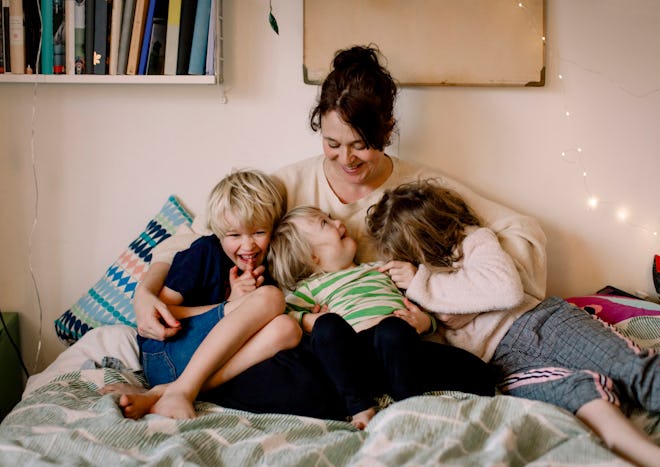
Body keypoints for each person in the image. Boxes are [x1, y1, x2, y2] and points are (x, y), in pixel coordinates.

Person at [131, 45, 547, 419]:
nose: (345, 159)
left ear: (386, 130)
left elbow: (523, 233)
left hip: (393, 343)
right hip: (318, 348)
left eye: (360, 145)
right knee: (308, 381)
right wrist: (145, 293)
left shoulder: (416, 192)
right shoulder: (289, 184)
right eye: (332, 143)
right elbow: (196, 239)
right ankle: (176, 390)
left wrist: (439, 298)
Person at [366, 179, 660, 466]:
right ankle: (657, 459)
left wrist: (425, 282)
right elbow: (445, 327)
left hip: (541, 322)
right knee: (578, 394)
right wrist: (429, 320)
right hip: (502, 361)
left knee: (634, 368)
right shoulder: (413, 285)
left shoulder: (472, 241)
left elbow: (505, 290)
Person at [266, 206, 496, 428]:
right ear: (312, 256)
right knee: (327, 326)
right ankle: (359, 406)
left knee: (480, 373)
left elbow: (420, 305)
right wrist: (308, 321)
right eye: (325, 223)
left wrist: (425, 322)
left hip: (399, 348)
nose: (338, 222)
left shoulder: (381, 269)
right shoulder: (312, 287)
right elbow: (281, 314)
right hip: (354, 357)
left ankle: (408, 404)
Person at [105, 170, 301, 419]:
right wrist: (231, 306)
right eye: (234, 235)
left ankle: (164, 393)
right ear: (220, 233)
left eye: (259, 232)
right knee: (271, 298)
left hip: (208, 367)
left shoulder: (267, 266)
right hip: (167, 353)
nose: (248, 245)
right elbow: (161, 314)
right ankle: (182, 390)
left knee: (287, 328)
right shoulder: (204, 253)